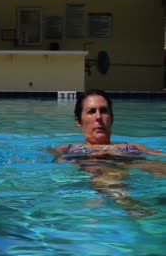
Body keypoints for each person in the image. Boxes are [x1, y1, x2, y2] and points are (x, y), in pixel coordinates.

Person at [49, 89, 165, 217]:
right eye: (91, 111)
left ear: (111, 118)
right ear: (78, 121)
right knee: (104, 168)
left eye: (103, 111)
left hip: (132, 160)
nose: (98, 117)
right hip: (97, 167)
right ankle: (131, 205)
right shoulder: (67, 149)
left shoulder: (134, 147)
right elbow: (53, 165)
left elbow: (160, 158)